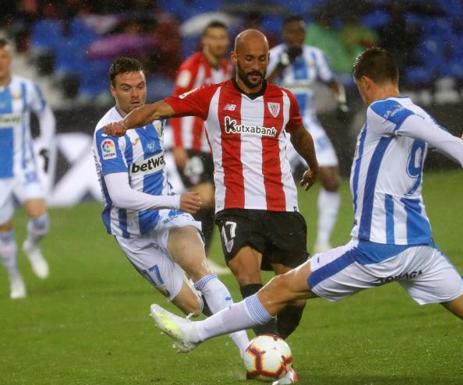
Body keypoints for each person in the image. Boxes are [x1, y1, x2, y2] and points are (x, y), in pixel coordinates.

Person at [146, 48, 463, 384]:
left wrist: (461, 152)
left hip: (376, 249)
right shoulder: (413, 110)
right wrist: (460, 146)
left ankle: (196, 333)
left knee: (281, 288)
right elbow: (424, 129)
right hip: (421, 249)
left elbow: (417, 126)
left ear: (364, 83)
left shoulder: (385, 108)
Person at [103, 30, 319, 341]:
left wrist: (312, 164)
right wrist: (124, 124)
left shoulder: (284, 99)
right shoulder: (213, 96)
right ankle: (271, 361)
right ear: (235, 59)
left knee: (296, 297)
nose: (256, 66)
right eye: (248, 59)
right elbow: (159, 109)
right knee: (248, 275)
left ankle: (270, 349)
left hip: (282, 206)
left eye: (262, 59)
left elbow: (299, 134)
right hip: (237, 207)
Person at [92, 56, 249, 356]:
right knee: (196, 305)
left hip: (167, 217)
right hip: (134, 234)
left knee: (200, 269)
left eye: (140, 86)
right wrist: (176, 199)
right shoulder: (108, 134)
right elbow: (121, 196)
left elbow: (197, 101)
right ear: (113, 90)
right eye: (126, 88)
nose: (136, 94)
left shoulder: (155, 116)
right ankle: (194, 328)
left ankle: (249, 353)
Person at [267, 15, 348, 253]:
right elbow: (257, 89)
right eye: (291, 32)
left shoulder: (315, 56)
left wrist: (341, 102)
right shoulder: (272, 56)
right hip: (277, 128)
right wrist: (281, 66)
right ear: (284, 34)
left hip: (307, 124)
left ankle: (323, 241)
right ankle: (274, 242)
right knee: (273, 186)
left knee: (332, 179)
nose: (296, 37)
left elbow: (332, 82)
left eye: (300, 33)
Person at [170, 20, 232, 274]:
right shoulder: (192, 67)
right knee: (203, 197)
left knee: (212, 202)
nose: (218, 42)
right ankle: (190, 257)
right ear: (204, 41)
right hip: (189, 145)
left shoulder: (227, 69)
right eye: (213, 38)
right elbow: (175, 104)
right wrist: (177, 145)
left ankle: (199, 258)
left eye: (222, 38)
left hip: (213, 149)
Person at [0, 38, 54, 299]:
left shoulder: (26, 89)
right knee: (4, 230)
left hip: (23, 168)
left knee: (41, 220)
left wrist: (45, 145)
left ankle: (32, 246)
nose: (0, 63)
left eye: (3, 57)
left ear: (10, 58)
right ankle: (15, 279)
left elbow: (45, 115)